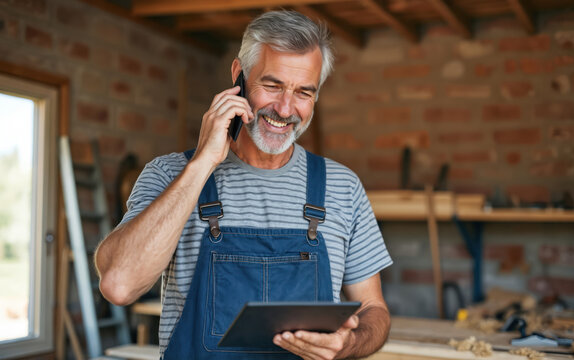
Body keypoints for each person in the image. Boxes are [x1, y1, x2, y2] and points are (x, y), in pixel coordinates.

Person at [95, 10, 392, 360]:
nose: (285, 108)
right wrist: (203, 164)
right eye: (272, 85)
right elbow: (119, 285)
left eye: (303, 92)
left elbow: (375, 311)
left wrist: (348, 345)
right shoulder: (169, 173)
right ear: (238, 77)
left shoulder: (343, 187)